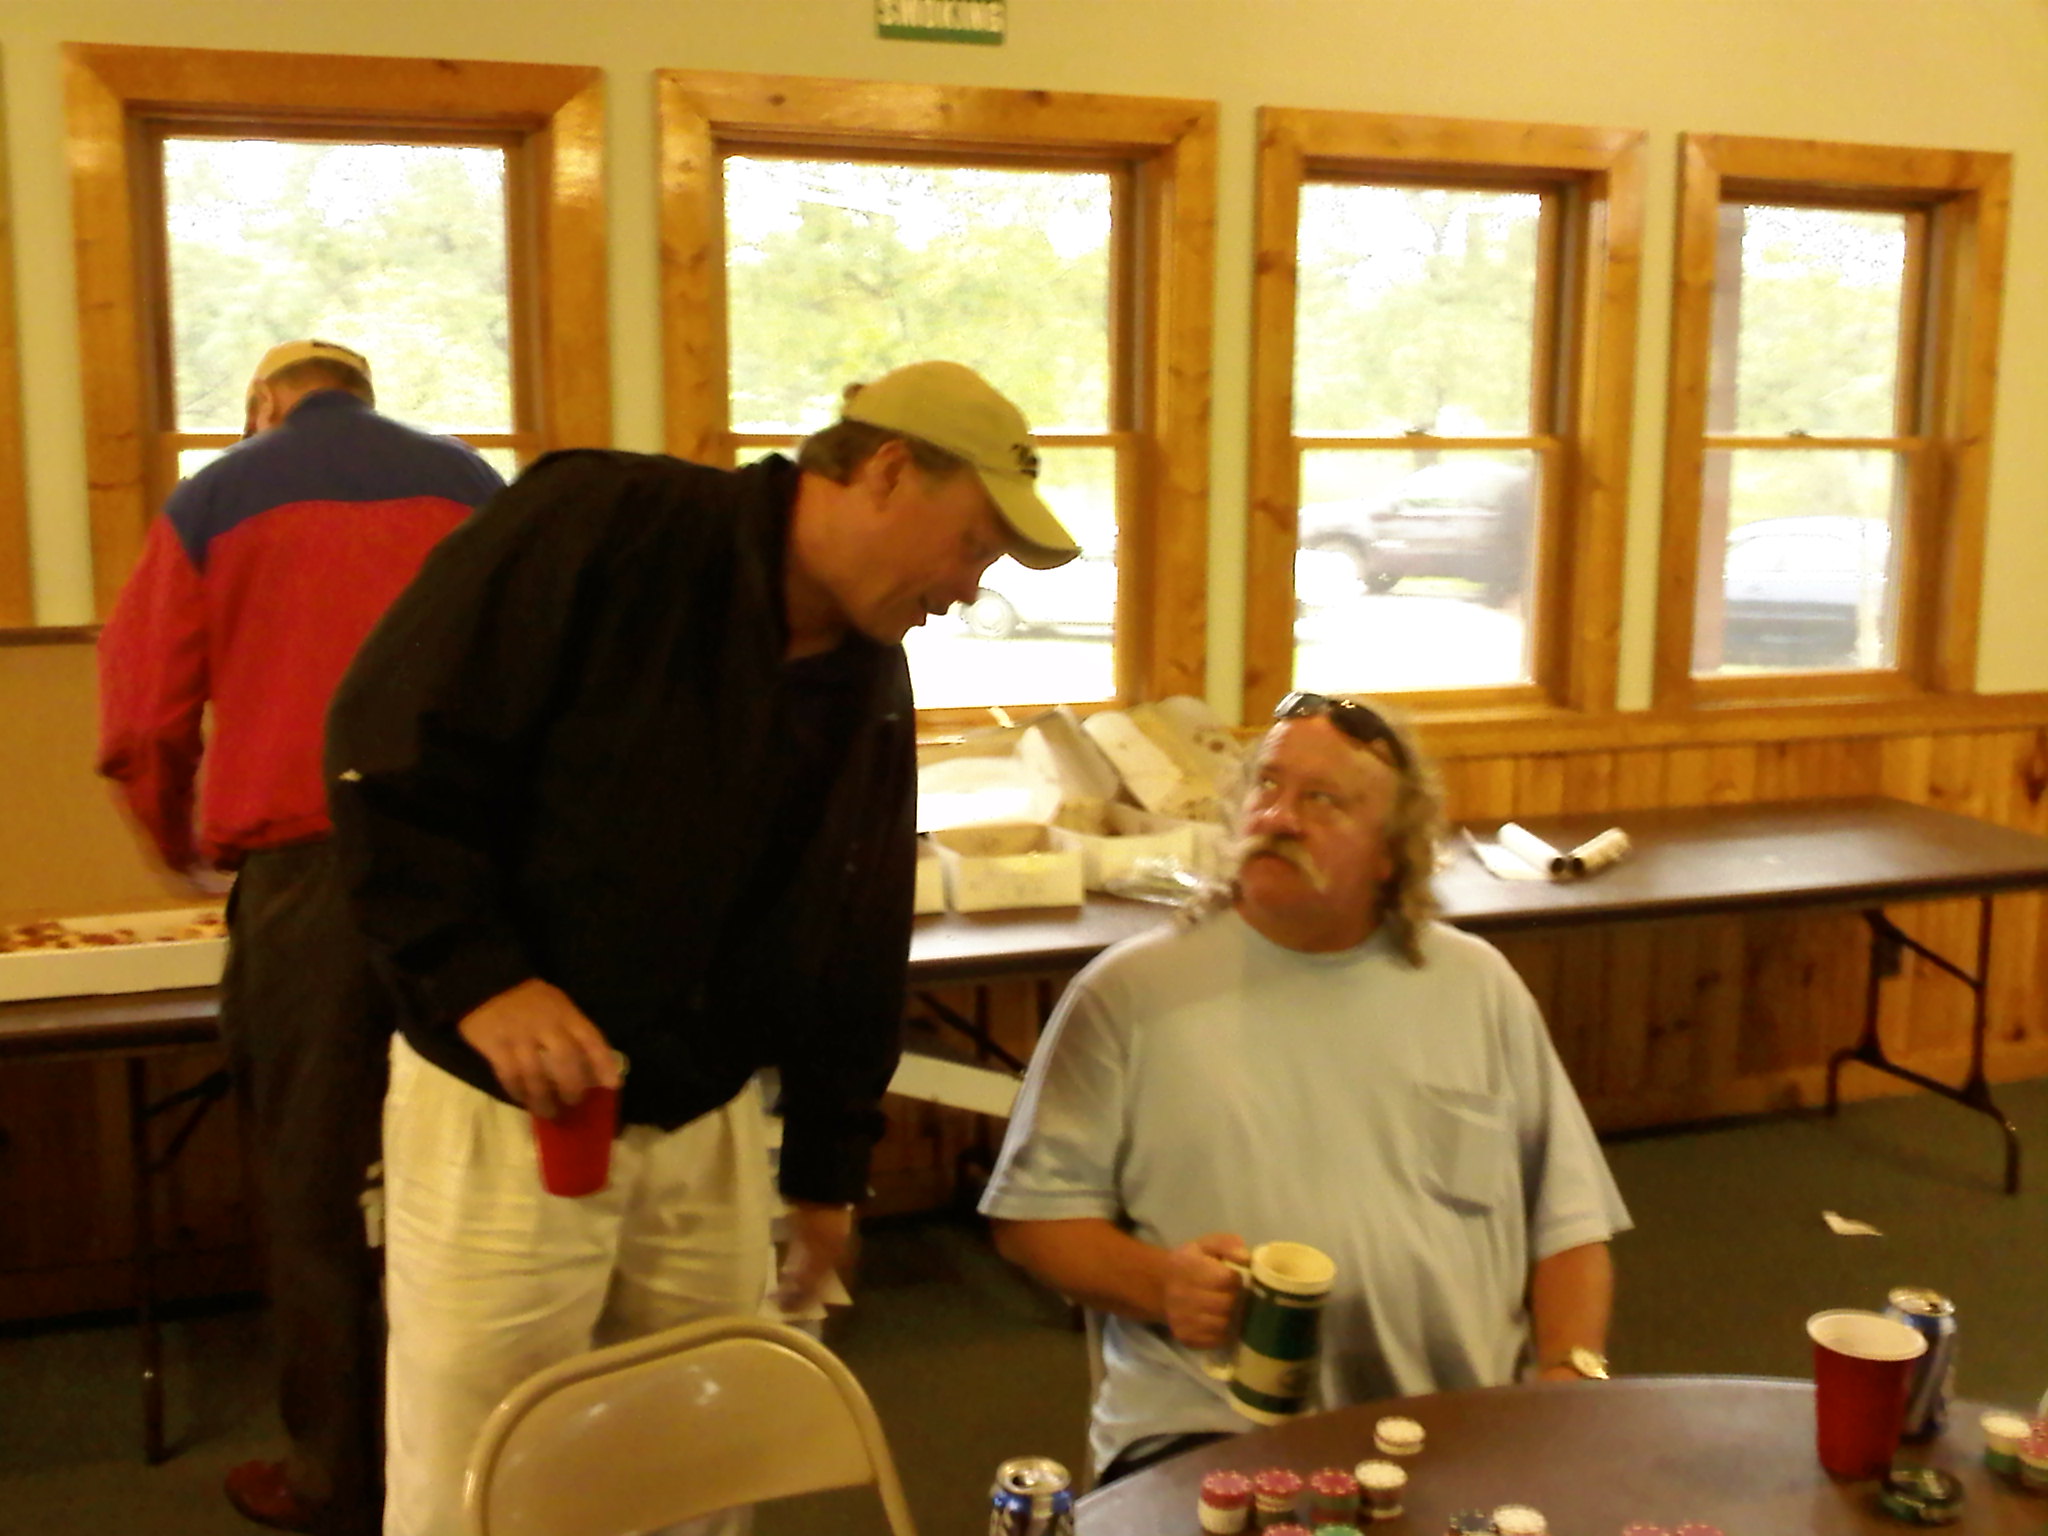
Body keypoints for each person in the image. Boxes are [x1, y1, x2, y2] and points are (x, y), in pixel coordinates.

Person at [322, 360, 1079, 1536]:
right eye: (972, 544)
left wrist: (826, 1171)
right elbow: (385, 746)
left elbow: (854, 927)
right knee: (481, 1473)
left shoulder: (865, 672)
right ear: (886, 471)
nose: (969, 588)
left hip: (704, 1119)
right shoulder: (601, 527)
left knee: (699, 1467)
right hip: (507, 1114)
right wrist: (478, 977)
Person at [980, 691, 1632, 1483]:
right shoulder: (1130, 993)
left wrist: (1569, 1372)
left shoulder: (1478, 986)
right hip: (1215, 1431)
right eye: (1267, 785)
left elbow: (1569, 1225)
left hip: (1456, 1421)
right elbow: (1031, 1220)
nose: (1278, 817)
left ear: (1392, 852)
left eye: (1322, 799)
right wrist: (1161, 1284)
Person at [96, 339, 506, 1535]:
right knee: (482, 1174)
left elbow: (144, 717)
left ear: (266, 402)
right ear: (363, 394)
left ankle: (335, 1479)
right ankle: (491, 1456)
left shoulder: (214, 499)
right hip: (470, 874)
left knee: (311, 1185)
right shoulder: (472, 487)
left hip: (307, 878)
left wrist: (178, 845)